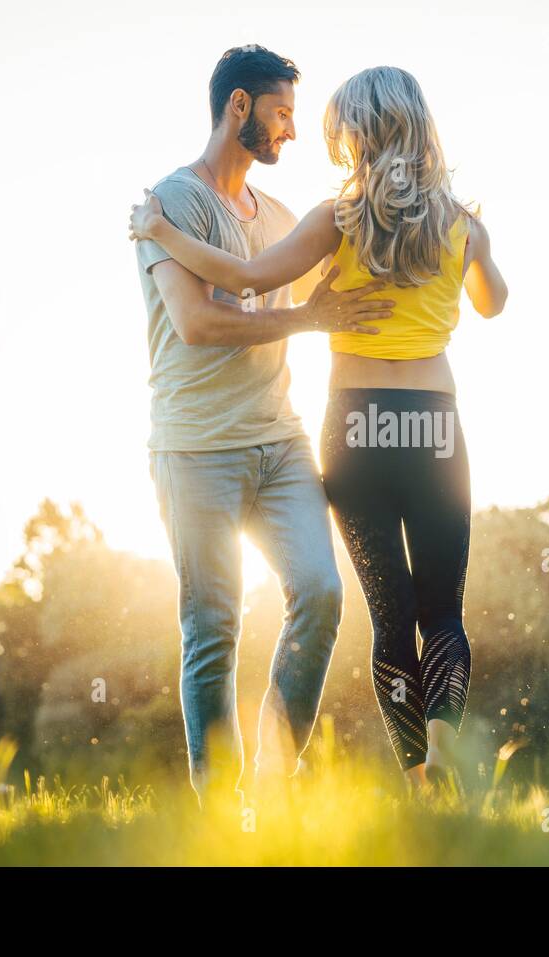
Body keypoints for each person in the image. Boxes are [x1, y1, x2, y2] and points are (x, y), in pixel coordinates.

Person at [130, 65, 508, 790]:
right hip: (433, 428)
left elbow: (245, 280)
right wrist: (469, 252)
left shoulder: (335, 219)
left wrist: (161, 233)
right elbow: (494, 303)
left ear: (357, 133)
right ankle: (440, 752)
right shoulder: (462, 224)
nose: (313, 135)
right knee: (444, 613)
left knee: (389, 618)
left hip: (356, 428)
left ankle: (409, 776)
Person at [132, 45, 395, 802]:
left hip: (280, 443)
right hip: (194, 448)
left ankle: (274, 783)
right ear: (239, 107)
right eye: (282, 113)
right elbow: (195, 322)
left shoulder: (280, 217)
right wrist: (306, 317)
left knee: (320, 593)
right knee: (212, 624)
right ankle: (220, 807)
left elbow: (342, 289)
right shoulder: (174, 202)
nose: (291, 131)